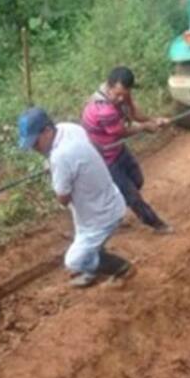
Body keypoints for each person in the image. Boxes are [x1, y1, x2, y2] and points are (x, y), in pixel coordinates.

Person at [18, 107, 134, 287]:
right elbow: (92, 147)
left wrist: (55, 172)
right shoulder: (68, 128)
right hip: (104, 200)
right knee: (89, 244)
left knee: (73, 261)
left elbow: (63, 199)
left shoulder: (59, 157)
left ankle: (121, 268)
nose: (34, 148)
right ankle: (91, 270)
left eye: (35, 143)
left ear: (47, 131)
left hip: (100, 215)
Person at [81, 66, 172, 234]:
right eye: (117, 94)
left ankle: (113, 210)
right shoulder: (103, 109)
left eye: (124, 94)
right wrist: (146, 127)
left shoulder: (120, 93)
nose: (120, 98)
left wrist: (155, 119)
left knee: (137, 180)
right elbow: (120, 131)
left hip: (117, 149)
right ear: (109, 87)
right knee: (133, 195)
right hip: (105, 157)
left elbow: (133, 112)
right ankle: (157, 224)